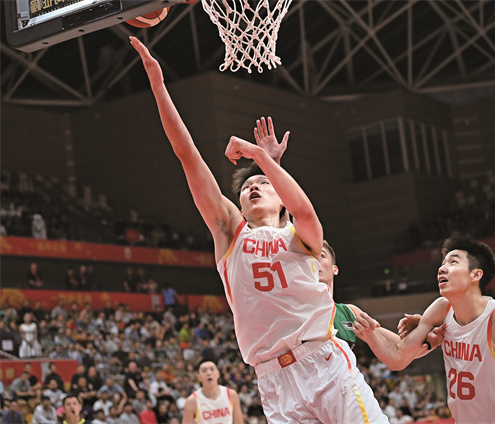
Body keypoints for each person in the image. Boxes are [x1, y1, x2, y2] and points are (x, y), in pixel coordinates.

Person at [131, 36, 388, 423]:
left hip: (324, 362)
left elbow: (303, 209)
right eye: (247, 186)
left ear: (280, 198)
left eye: (263, 184)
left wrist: (262, 159)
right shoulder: (231, 235)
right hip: (273, 380)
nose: (253, 187)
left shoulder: (300, 238)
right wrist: (158, 86)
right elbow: (188, 156)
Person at [354, 237, 495, 423]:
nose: (442, 268)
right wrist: (367, 330)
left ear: (475, 275)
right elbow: (398, 358)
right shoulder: (441, 309)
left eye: (453, 262)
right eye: (443, 263)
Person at [182, 358, 243, 424]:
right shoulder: (192, 401)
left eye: (212, 369)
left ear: (218, 374)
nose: (209, 373)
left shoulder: (231, 395)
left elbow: (239, 422)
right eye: (204, 370)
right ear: (199, 377)